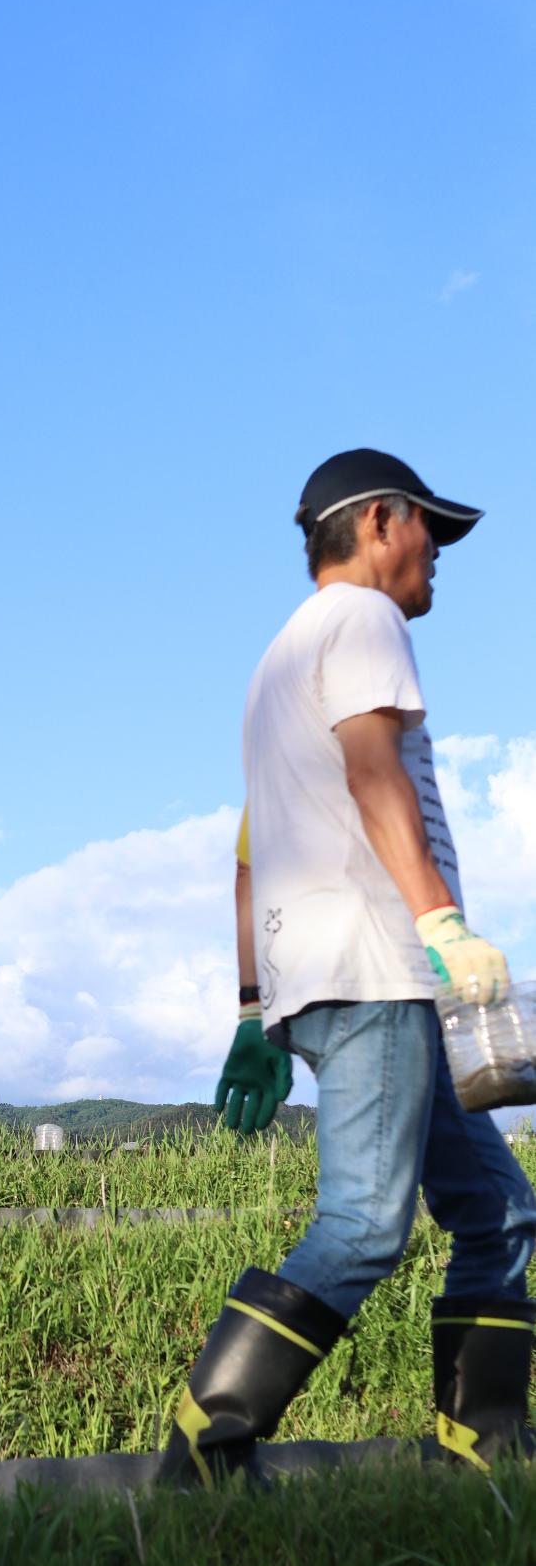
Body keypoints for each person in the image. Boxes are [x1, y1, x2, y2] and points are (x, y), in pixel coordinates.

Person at [162, 448, 536, 1485]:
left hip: (353, 976)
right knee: (365, 1222)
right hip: (377, 970)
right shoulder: (361, 620)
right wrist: (443, 920)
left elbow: (247, 855)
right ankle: (204, 1443)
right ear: (379, 520)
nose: (437, 557)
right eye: (429, 531)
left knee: (498, 1210)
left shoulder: (281, 656)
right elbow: (377, 773)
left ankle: (484, 1439)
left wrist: (251, 1008)